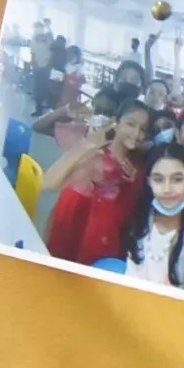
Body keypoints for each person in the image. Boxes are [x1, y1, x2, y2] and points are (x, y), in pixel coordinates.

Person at [44, 95, 151, 265]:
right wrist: (87, 145)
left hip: (109, 249)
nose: (136, 133)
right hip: (79, 242)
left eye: (143, 129)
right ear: (116, 122)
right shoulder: (96, 157)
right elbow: (47, 184)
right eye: (131, 124)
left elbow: (127, 217)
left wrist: (134, 186)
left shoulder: (137, 168)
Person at [116, 138, 184, 294]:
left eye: (177, 179)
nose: (167, 189)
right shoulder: (140, 221)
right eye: (158, 179)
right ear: (149, 182)